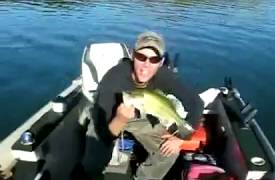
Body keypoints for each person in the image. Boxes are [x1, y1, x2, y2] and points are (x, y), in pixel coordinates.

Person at [81, 31, 204, 179]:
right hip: (110, 117)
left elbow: (196, 102)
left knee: (169, 152)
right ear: (133, 56)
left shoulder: (165, 75)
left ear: (160, 62)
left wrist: (181, 138)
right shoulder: (113, 79)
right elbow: (103, 133)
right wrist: (120, 119)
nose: (146, 64)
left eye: (154, 59)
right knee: (92, 161)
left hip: (140, 117)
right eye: (141, 57)